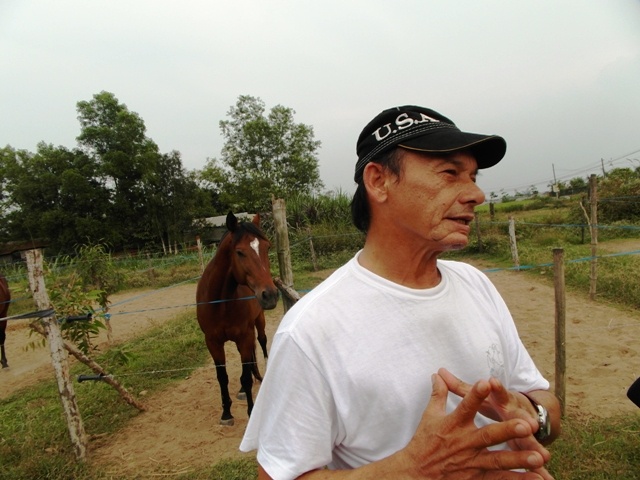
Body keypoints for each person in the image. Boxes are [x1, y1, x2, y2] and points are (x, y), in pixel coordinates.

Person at [240, 105, 561, 479]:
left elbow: (545, 404)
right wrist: (411, 469)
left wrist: (532, 417)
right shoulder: (311, 330)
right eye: (450, 173)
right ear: (379, 181)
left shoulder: (476, 284)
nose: (477, 194)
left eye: (473, 176)